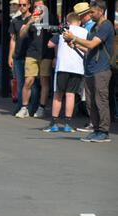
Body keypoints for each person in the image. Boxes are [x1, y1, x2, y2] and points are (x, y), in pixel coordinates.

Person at [63, 0, 115, 142]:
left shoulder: (106, 25)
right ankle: (96, 129)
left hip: (102, 69)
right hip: (90, 69)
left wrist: (74, 37)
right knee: (90, 102)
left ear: (101, 11)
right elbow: (88, 49)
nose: (90, 14)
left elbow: (92, 43)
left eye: (92, 12)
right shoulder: (93, 28)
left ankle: (103, 132)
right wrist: (74, 45)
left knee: (100, 101)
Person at [43, 12, 88, 133]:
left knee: (58, 94)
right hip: (77, 68)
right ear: (79, 22)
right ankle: (68, 124)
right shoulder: (85, 32)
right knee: (70, 94)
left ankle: (54, 123)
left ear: (67, 21)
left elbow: (50, 44)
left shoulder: (64, 29)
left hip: (63, 66)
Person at [16, 0, 58, 119]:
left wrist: (55, 56)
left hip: (46, 54)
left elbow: (56, 38)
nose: (37, 9)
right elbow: (22, 35)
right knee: (28, 81)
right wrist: (30, 22)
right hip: (32, 53)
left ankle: (41, 108)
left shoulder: (51, 17)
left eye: (40, 6)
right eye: (35, 7)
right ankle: (24, 108)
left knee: (44, 81)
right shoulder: (30, 18)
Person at [8, 0, 39, 115]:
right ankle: (21, 106)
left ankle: (33, 107)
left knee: (33, 84)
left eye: (24, 5)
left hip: (31, 55)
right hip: (18, 55)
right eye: (19, 5)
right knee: (20, 83)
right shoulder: (15, 20)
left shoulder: (34, 19)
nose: (21, 7)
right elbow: (13, 39)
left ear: (29, 5)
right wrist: (10, 56)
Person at [73, 2, 95, 133]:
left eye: (80, 16)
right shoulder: (89, 26)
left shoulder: (90, 27)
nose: (80, 19)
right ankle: (93, 122)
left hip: (92, 65)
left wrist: (75, 41)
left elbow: (89, 48)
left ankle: (94, 123)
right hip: (90, 63)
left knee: (90, 95)